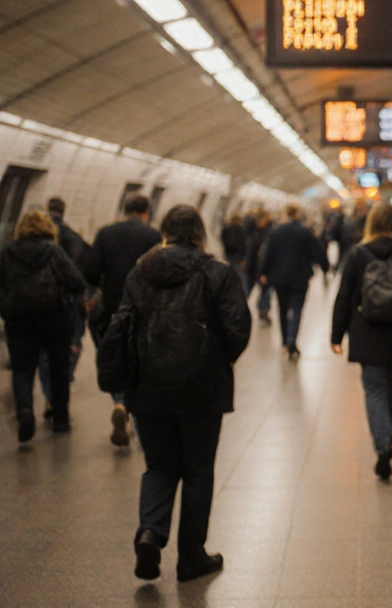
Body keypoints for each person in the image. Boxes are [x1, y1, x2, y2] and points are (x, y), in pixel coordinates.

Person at [122, 205, 251, 583]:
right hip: (202, 389)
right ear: (200, 233)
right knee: (197, 471)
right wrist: (217, 360)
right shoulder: (218, 272)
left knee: (159, 466)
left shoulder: (140, 271)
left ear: (163, 232)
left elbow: (124, 324)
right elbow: (237, 328)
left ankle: (150, 532)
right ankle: (191, 557)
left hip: (148, 386)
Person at [330, 202, 392, 480]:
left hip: (367, 333)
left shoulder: (357, 254)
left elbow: (344, 297)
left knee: (375, 390)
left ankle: (383, 443)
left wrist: (336, 335)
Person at [0, 210, 87, 441]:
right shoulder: (53, 251)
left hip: (18, 319)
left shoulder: (7, 252)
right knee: (58, 369)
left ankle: (25, 410)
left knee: (22, 369)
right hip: (53, 318)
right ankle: (60, 419)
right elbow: (75, 281)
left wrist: (5, 307)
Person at [84, 194, 162, 446]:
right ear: (145, 213)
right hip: (144, 309)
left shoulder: (105, 233)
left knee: (115, 355)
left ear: (124, 209)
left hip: (111, 308)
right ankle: (139, 418)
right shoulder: (152, 236)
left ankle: (119, 403)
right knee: (140, 359)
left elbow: (91, 271)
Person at [258, 203, 329, 359]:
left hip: (280, 277)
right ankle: (292, 339)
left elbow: (267, 254)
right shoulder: (305, 232)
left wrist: (264, 272)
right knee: (297, 309)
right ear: (297, 214)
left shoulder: (275, 232)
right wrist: (325, 267)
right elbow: (317, 252)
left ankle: (284, 340)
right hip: (300, 277)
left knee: (282, 309)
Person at [38, 197, 90, 409]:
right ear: (64, 211)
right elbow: (85, 271)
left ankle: (50, 395)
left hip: (42, 303)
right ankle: (64, 380)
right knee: (74, 342)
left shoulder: (31, 241)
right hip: (71, 302)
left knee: (44, 351)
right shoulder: (74, 237)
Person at [219, 214, 249, 294]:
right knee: (240, 277)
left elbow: (222, 237)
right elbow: (243, 244)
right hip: (237, 255)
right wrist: (243, 258)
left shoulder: (227, 227)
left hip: (228, 253)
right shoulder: (240, 228)